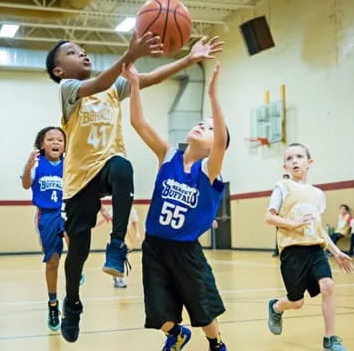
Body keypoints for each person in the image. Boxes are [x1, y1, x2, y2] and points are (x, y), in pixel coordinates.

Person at [45, 31, 224, 343]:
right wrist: (131, 55)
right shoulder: (69, 89)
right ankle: (72, 303)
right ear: (59, 70)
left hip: (107, 166)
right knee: (78, 253)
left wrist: (189, 59)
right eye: (73, 53)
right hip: (78, 181)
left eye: (84, 50)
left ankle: (117, 245)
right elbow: (98, 84)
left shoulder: (114, 87)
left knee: (123, 166)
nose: (83, 54)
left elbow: (150, 78)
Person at [123, 53, 228, 351]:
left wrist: (212, 96)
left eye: (208, 128)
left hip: (186, 252)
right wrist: (133, 83)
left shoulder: (208, 170)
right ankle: (178, 334)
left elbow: (221, 140)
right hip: (155, 246)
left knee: (203, 309)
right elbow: (138, 122)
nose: (201, 126)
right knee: (158, 313)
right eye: (200, 122)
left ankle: (216, 343)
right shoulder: (168, 156)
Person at [264, 143, 354, 351]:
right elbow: (269, 217)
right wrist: (293, 224)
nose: (294, 161)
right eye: (289, 159)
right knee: (296, 302)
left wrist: (337, 252)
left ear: (309, 162)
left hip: (315, 249)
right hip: (292, 251)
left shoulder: (318, 194)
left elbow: (319, 229)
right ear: (285, 166)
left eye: (299, 156)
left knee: (328, 286)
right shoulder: (282, 187)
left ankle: (330, 338)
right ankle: (276, 307)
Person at [21, 126, 67, 331]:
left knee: (75, 240)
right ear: (42, 144)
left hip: (66, 211)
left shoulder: (70, 164)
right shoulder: (37, 163)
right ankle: (53, 303)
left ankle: (76, 271)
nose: (56, 142)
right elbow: (25, 184)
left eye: (60, 139)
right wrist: (27, 166)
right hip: (46, 215)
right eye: (51, 139)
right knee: (52, 262)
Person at [94, 204, 142, 288]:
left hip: (128, 237)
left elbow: (135, 222)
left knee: (124, 257)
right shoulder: (116, 208)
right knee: (118, 257)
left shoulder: (132, 210)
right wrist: (95, 224)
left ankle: (117, 276)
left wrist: (138, 233)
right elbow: (106, 217)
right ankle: (118, 278)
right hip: (118, 237)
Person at [272, 174, 291, 257]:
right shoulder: (278, 191)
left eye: (287, 179)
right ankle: (277, 251)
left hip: (289, 218)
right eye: (284, 179)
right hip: (280, 217)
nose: (285, 180)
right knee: (279, 234)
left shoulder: (291, 191)